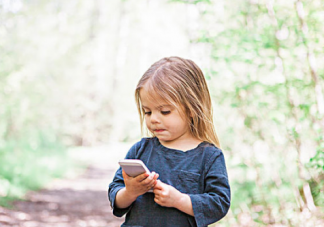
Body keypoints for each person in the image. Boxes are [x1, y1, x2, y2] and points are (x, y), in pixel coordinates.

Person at [108, 56, 231, 227]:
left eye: (164, 111)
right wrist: (130, 192)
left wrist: (179, 200)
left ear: (191, 109)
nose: (154, 119)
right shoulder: (140, 151)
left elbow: (219, 204)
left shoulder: (209, 156)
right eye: (148, 112)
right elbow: (116, 197)